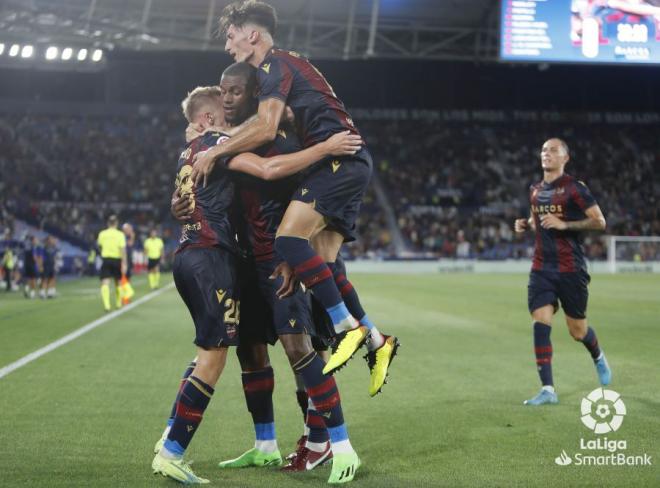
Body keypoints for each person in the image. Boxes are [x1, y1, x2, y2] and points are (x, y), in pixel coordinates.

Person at [192, 0, 399, 399]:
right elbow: (275, 120)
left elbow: (267, 128)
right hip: (343, 162)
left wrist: (216, 150)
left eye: (232, 36)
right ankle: (377, 340)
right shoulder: (281, 70)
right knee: (326, 264)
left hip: (338, 160)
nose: (228, 45)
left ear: (252, 35)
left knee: (289, 242)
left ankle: (346, 328)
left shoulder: (274, 65)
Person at [153, 84, 357, 484]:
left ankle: (323, 441)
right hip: (241, 262)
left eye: (235, 94)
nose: (230, 103)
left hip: (284, 260)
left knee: (301, 347)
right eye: (224, 97)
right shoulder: (229, 144)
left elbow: (300, 190)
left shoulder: (278, 138)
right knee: (250, 350)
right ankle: (265, 445)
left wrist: (300, 256)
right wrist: (180, 200)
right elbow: (200, 188)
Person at [514, 138, 612, 406]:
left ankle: (598, 356)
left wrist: (565, 224)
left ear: (565, 158)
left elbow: (599, 221)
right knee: (540, 321)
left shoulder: (575, 189)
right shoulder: (534, 191)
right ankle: (548, 389)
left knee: (577, 331)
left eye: (553, 150)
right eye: (544, 149)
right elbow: (540, 224)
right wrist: (526, 224)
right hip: (541, 267)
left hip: (571, 269)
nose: (547, 153)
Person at [96, 215, 127, 312]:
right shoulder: (120, 234)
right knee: (117, 282)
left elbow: (99, 246)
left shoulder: (102, 234)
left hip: (106, 259)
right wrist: (124, 263)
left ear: (108, 223)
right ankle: (118, 303)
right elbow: (122, 250)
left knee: (105, 282)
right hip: (116, 260)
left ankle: (107, 306)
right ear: (116, 223)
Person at [22, 235, 41, 299]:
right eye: (36, 240)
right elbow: (34, 257)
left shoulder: (27, 246)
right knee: (33, 279)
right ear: (33, 241)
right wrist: (38, 264)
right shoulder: (33, 247)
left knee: (29, 278)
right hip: (32, 265)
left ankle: (26, 289)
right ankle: (32, 294)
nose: (37, 241)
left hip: (26, 264)